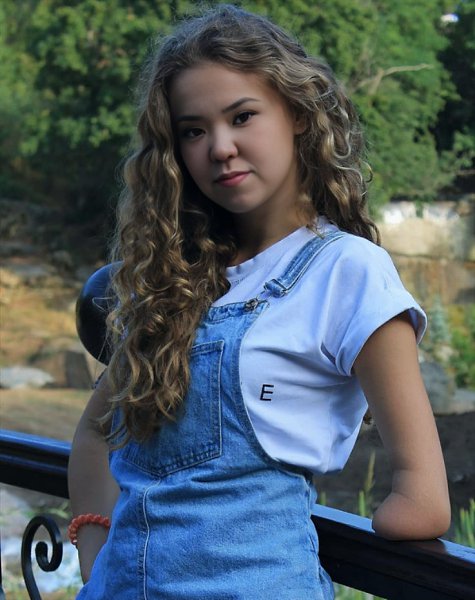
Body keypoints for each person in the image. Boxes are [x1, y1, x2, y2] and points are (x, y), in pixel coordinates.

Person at [68, 5, 451, 599]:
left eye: (242, 116)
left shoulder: (346, 270)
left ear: (298, 113)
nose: (220, 147)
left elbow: (422, 501)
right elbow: (97, 432)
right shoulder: (175, 277)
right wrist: (96, 553)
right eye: (193, 130)